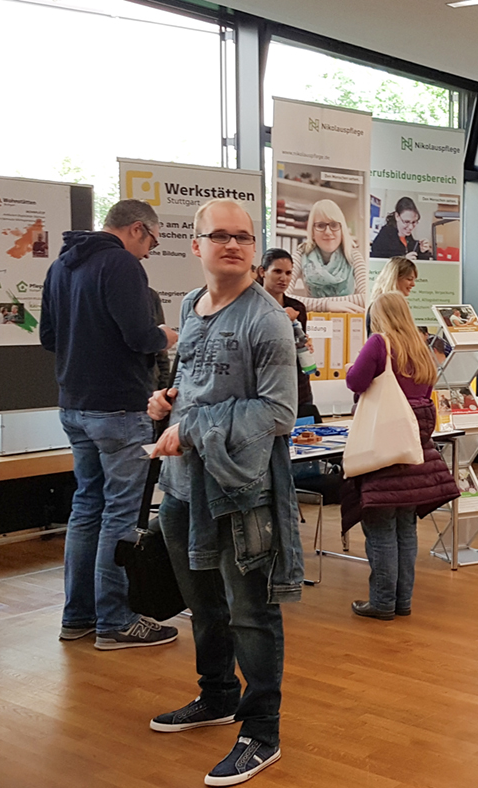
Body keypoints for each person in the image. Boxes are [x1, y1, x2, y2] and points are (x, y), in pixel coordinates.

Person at [147, 198, 303, 786]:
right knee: (204, 606)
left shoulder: (267, 320)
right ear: (198, 245)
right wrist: (167, 401)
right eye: (220, 236)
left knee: (251, 613)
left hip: (241, 492)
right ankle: (216, 696)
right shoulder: (190, 305)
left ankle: (261, 730)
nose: (232, 245)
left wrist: (192, 427)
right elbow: (191, 376)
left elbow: (279, 411)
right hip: (184, 487)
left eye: (243, 236)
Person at [39, 198, 179, 650]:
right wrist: (170, 335)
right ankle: (116, 620)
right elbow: (141, 336)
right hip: (119, 409)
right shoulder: (121, 265)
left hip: (73, 405)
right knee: (120, 513)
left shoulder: (62, 265)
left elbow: (47, 338)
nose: (149, 253)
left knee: (86, 509)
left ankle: (77, 616)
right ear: (138, 229)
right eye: (152, 242)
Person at [341, 292, 460, 619]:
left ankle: (381, 602)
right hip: (415, 447)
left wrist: (352, 366)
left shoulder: (380, 343)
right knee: (405, 527)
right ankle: (402, 600)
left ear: (377, 316)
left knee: (379, 525)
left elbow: (356, 381)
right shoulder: (421, 348)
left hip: (383, 445)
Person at [287, 199, 366, 312]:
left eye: (334, 225)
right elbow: (282, 296)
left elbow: (367, 297)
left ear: (341, 229)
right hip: (314, 324)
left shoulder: (353, 256)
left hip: (348, 322)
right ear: (312, 231)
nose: (328, 232)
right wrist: (325, 305)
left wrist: (318, 304)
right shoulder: (301, 255)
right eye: (321, 225)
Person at [261, 247, 314, 410]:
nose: (283, 278)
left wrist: (305, 342)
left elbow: (299, 341)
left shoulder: (297, 307)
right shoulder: (251, 306)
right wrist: (282, 319)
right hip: (265, 386)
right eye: (277, 271)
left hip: (298, 386)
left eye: (288, 273)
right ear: (263, 272)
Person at [370, 197, 432, 261]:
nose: (410, 227)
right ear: (397, 216)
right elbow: (378, 262)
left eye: (414, 222)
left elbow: (416, 261)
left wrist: (422, 251)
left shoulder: (408, 238)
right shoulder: (385, 236)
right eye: (406, 222)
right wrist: (403, 260)